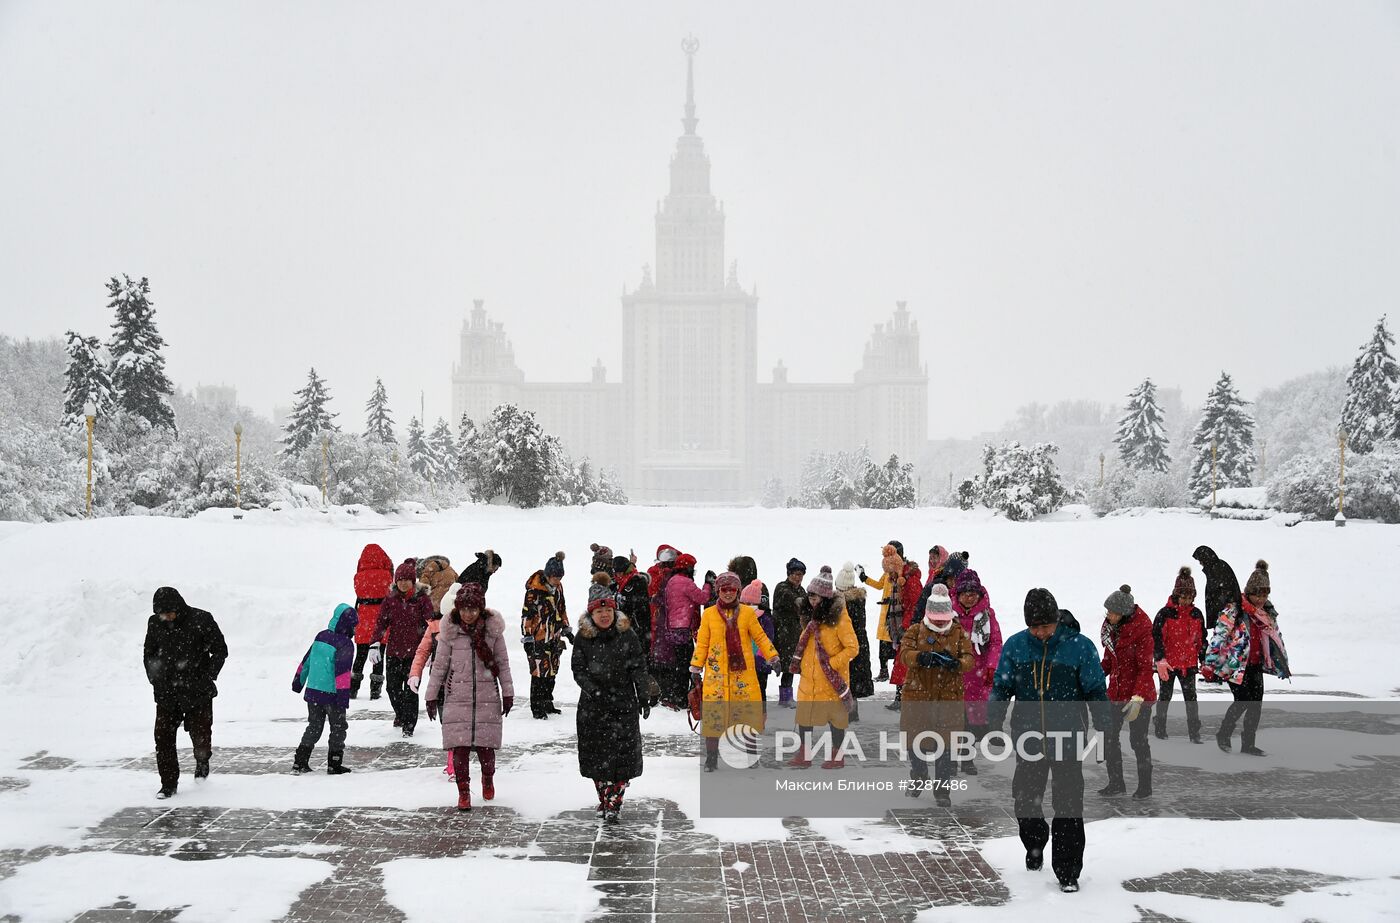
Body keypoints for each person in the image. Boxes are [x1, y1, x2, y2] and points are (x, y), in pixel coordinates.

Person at [989, 588, 1109, 894]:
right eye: (1035, 627)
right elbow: (1001, 687)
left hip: (1068, 736)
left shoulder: (1079, 647)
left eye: (1046, 626)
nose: (1041, 632)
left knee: (1068, 802)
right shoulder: (1017, 646)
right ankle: (1035, 842)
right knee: (1025, 800)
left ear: (1057, 620)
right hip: (1028, 737)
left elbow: (1095, 688)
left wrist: (1105, 722)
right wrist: (992, 720)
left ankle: (1067, 871)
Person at [573, 573, 657, 822]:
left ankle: (614, 802)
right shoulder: (583, 637)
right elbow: (578, 669)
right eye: (599, 612)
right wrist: (594, 690)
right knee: (597, 758)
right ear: (591, 615)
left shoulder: (627, 635)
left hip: (623, 704)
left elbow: (638, 667)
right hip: (593, 706)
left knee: (622, 757)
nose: (604, 616)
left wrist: (644, 695)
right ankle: (604, 798)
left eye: (608, 610)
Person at [425, 582, 514, 811]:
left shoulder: (492, 632)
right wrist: (431, 695)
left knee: (486, 747)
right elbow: (440, 666)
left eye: (473, 609)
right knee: (460, 748)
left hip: (487, 697)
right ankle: (463, 791)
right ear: (457, 609)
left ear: (481, 609)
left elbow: (503, 664)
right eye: (464, 609)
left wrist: (508, 692)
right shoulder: (450, 633)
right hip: (457, 698)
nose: (468, 614)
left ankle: (487, 778)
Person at [690, 571, 780, 772]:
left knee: (747, 716)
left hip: (742, 676)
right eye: (724, 590)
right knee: (714, 718)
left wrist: (773, 657)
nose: (728, 594)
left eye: (732, 590)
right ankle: (711, 758)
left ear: (738, 591)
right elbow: (703, 643)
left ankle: (750, 755)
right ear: (718, 591)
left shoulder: (747, 614)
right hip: (717, 676)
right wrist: (696, 666)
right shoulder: (710, 614)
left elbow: (761, 638)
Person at [144, 587, 228, 799]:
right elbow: (149, 654)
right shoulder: (154, 624)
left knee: (201, 735)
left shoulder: (201, 619)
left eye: (169, 612)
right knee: (163, 738)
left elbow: (220, 649)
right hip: (166, 693)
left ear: (178, 607)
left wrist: (208, 675)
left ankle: (202, 760)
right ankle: (168, 784)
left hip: (197, 692)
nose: (165, 617)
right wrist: (155, 680)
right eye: (161, 613)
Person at [1204, 560, 1290, 756]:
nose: (1261, 598)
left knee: (1256, 705)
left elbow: (1275, 636)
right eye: (1257, 594)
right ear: (1248, 592)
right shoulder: (1235, 608)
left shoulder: (1266, 612)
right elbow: (1219, 634)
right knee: (1243, 700)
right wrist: (1209, 662)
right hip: (1235, 665)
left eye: (1265, 594)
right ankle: (1224, 734)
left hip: (1256, 664)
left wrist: (1282, 662)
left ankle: (1248, 744)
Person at [899, 585, 974, 806]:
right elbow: (904, 655)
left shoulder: (959, 633)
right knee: (914, 740)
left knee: (946, 745)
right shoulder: (915, 630)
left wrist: (956, 663)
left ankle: (942, 791)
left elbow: (969, 660)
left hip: (948, 696)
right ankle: (919, 773)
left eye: (944, 618)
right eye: (936, 618)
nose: (940, 622)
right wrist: (921, 658)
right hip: (917, 695)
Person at [788, 567, 861, 769]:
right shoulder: (809, 616)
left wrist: (832, 663)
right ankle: (804, 754)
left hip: (831, 679)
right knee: (805, 716)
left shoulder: (839, 618)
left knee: (835, 719)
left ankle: (837, 756)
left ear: (826, 597)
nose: (812, 601)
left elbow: (853, 648)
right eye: (810, 596)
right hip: (809, 677)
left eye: (817, 597)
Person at [1098, 585, 1156, 799]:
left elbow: (1144, 668)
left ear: (1124, 613)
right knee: (1109, 738)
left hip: (1139, 696)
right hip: (1115, 693)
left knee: (1138, 741)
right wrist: (1091, 679)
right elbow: (1107, 662)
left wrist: (1137, 698)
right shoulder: (1111, 630)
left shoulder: (1142, 631)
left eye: (1112, 612)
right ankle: (1116, 783)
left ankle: (1145, 786)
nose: (1109, 616)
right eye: (1108, 612)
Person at [291, 604, 358, 775]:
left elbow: (307, 660)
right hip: (332, 695)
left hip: (313, 691)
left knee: (314, 727)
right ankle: (334, 764)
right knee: (338, 728)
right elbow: (342, 674)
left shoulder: (321, 636)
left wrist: (298, 681)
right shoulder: (345, 644)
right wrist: (343, 698)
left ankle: (300, 761)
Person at [950, 569, 1002, 775]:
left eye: (973, 593)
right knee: (954, 720)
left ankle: (967, 758)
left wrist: (991, 667)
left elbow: (996, 643)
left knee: (971, 722)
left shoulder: (987, 615)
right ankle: (951, 759)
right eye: (965, 593)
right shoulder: (949, 614)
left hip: (977, 677)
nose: (969, 597)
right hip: (953, 675)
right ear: (958, 594)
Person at [376, 560, 434, 736]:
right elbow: (381, 623)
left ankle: (409, 725)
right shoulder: (390, 599)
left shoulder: (422, 600)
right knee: (392, 689)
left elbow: (430, 624)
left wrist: (432, 650)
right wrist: (374, 642)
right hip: (394, 651)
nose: (403, 583)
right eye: (400, 579)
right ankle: (401, 714)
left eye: (406, 580)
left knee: (410, 691)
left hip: (414, 654)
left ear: (413, 581)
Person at [1152, 567, 1207, 743]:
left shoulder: (1197, 614)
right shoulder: (1165, 613)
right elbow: (1157, 638)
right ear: (1176, 595)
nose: (1186, 601)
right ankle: (1160, 728)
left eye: (1190, 597)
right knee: (1165, 697)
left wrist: (1203, 659)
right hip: (1168, 664)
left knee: (1191, 699)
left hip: (1189, 664)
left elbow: (1201, 638)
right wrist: (1160, 659)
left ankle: (1194, 733)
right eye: (1183, 597)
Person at [655, 552, 710, 710]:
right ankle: (681, 697)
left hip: (672, 627)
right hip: (683, 628)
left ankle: (672, 695)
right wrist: (708, 584)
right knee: (686, 664)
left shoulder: (672, 581)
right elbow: (703, 598)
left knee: (677, 664)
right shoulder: (686, 582)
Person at [522, 551, 572, 719]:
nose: (558, 581)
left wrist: (566, 630)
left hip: (555, 636)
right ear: (548, 575)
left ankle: (547, 702)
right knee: (539, 672)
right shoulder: (534, 592)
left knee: (552, 671)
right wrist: (527, 637)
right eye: (555, 578)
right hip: (538, 637)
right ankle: (537, 707)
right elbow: (527, 615)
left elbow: (562, 610)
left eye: (560, 578)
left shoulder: (558, 588)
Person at [351, 543, 393, 699]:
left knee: (360, 655)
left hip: (363, 619)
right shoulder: (387, 576)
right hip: (380, 619)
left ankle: (353, 688)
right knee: (379, 655)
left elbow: (358, 593)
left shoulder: (359, 577)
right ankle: (375, 690)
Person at [884, 546, 924, 711]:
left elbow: (916, 606)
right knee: (902, 663)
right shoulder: (903, 579)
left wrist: (906, 625)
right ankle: (901, 698)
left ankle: (904, 698)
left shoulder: (911, 580)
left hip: (912, 628)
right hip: (906, 626)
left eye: (891, 572)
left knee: (906, 663)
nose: (890, 576)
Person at [835, 563, 875, 709]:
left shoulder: (843, 604)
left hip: (846, 644)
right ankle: (853, 710)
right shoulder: (859, 600)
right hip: (860, 643)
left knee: (847, 678)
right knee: (855, 679)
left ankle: (849, 712)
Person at [771, 558, 808, 708]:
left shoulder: (801, 589)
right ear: (789, 574)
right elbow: (795, 601)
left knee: (791, 665)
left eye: (800, 574)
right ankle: (785, 698)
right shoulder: (782, 588)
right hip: (782, 632)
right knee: (785, 664)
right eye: (795, 574)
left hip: (795, 633)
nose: (798, 577)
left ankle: (787, 697)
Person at [740, 579, 776, 709]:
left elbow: (767, 640)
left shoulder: (764, 619)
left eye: (747, 603)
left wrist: (759, 657)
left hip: (759, 663)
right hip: (746, 663)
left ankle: (761, 716)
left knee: (760, 692)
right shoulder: (741, 617)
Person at [1192, 545, 1243, 632]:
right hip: (1226, 615)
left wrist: (1219, 614)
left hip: (1227, 616)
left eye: (1200, 560)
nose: (1200, 563)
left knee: (1223, 641)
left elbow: (1220, 594)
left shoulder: (1216, 569)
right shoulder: (1217, 567)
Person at [858, 558, 893, 683]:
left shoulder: (900, 573)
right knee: (883, 645)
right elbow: (879, 585)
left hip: (895, 614)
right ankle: (884, 671)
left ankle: (896, 674)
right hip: (885, 613)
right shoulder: (888, 573)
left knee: (896, 646)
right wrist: (864, 578)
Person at [612, 554, 652, 652]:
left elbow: (640, 606)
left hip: (638, 627)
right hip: (622, 627)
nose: (618, 575)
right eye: (616, 573)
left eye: (620, 572)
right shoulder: (618, 583)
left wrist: (624, 605)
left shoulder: (637, 581)